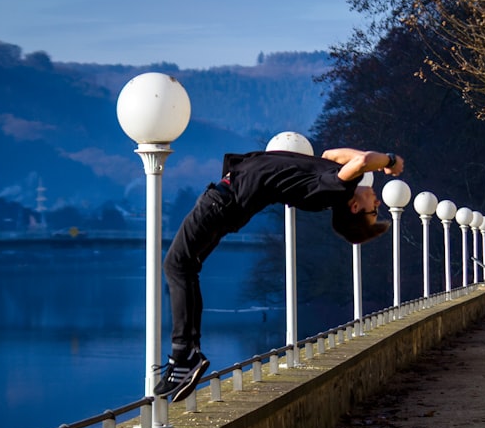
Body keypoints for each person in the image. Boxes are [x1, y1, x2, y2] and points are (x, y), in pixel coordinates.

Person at [155, 147, 405, 401]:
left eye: (373, 212)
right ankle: (188, 352)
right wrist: (378, 164)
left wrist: (389, 160)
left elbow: (362, 161)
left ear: (354, 208)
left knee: (176, 265)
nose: (378, 203)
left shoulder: (333, 190)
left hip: (222, 204)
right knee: (185, 268)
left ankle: (185, 355)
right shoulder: (335, 179)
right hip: (224, 203)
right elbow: (332, 154)